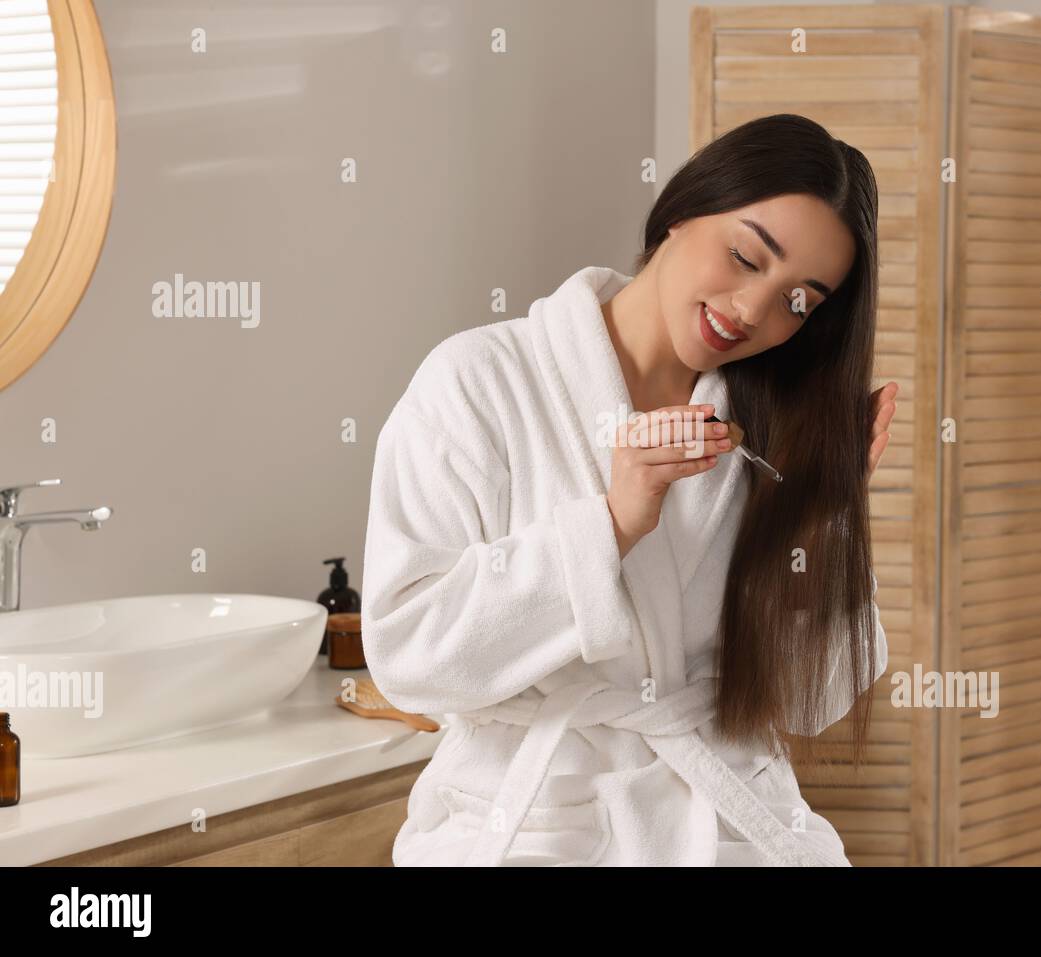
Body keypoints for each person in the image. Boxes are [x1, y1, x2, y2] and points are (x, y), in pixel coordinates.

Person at [362, 113, 899, 866]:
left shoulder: (767, 431)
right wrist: (609, 527)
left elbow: (812, 702)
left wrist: (825, 516)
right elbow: (409, 655)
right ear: (682, 208)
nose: (753, 310)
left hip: (725, 817)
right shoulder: (478, 382)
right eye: (746, 255)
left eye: (798, 301)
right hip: (536, 819)